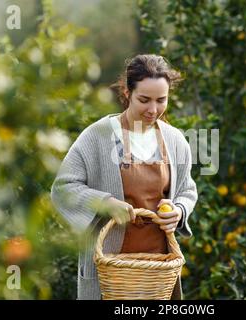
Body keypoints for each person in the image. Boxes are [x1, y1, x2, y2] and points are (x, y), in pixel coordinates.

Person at [50, 54, 198, 300]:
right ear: (128, 93)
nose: (153, 110)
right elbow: (63, 188)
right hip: (110, 269)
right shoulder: (97, 136)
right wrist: (104, 203)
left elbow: (187, 190)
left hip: (157, 271)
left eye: (162, 100)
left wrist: (179, 210)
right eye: (144, 100)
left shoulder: (174, 140)